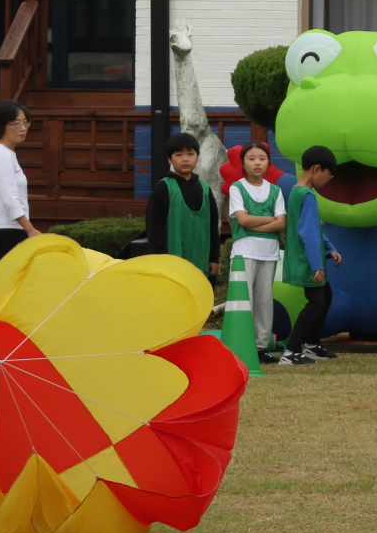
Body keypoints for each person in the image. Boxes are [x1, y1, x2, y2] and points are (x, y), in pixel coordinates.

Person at [281, 146, 347, 365]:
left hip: (311, 259)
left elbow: (314, 228)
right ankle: (291, 353)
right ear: (317, 169)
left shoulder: (298, 193)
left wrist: (330, 249)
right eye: (329, 174)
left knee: (325, 298)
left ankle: (311, 345)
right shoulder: (306, 195)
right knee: (317, 303)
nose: (329, 179)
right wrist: (317, 265)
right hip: (307, 262)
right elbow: (308, 233)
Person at [226, 142, 286, 365]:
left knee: (263, 302)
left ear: (268, 162)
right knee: (244, 301)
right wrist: (269, 219)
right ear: (242, 163)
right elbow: (242, 220)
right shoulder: (237, 188)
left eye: (262, 158)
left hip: (269, 252)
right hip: (244, 251)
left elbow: (282, 223)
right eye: (251, 158)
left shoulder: (275, 190)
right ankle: (242, 346)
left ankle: (261, 347)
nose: (257, 162)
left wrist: (254, 222)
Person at [0, 101, 41, 286]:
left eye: (25, 122)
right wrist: (30, 230)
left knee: (15, 283)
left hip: (5, 229)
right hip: (4, 230)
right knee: (16, 285)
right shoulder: (2, 155)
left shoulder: (5, 153)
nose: (22, 128)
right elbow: (9, 199)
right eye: (16, 123)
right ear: (1, 125)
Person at [146, 131, 219, 286]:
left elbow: (213, 226)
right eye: (178, 155)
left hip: (201, 262)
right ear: (169, 159)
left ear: (197, 157)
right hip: (172, 264)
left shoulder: (205, 189)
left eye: (190, 154)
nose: (185, 159)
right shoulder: (164, 187)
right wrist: (160, 258)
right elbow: (154, 227)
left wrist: (214, 257)